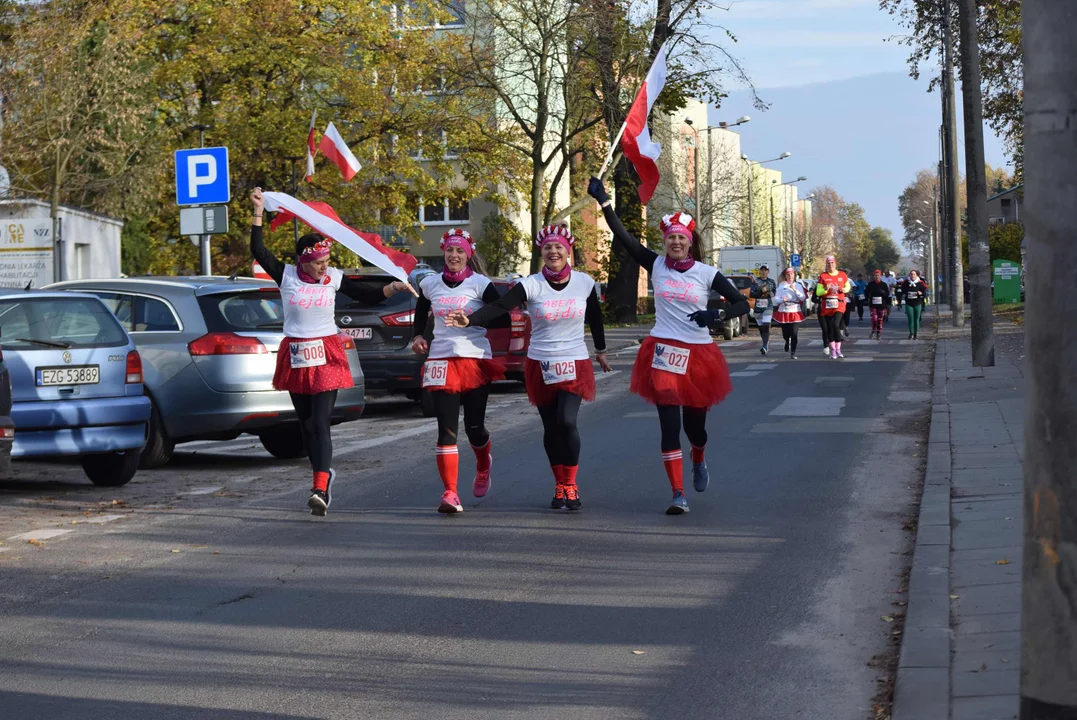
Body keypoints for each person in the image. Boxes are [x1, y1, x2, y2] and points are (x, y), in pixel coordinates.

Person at [588, 178, 749, 514]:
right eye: (671, 237)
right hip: (663, 351)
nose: (675, 242)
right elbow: (625, 239)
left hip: (699, 355)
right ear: (665, 242)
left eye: (681, 238)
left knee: (695, 428)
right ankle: (678, 493)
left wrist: (715, 313)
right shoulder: (656, 264)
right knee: (668, 426)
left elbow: (742, 305)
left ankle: (699, 456)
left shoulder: (706, 273)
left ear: (689, 244)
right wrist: (604, 202)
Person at [249, 188, 411, 516]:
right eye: (318, 263)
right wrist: (256, 212)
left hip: (326, 351)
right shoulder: (286, 276)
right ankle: (323, 474)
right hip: (296, 352)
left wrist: (393, 286)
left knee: (320, 423)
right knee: (306, 424)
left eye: (326, 261)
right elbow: (257, 249)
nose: (324, 267)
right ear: (303, 262)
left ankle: (320, 487)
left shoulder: (334, 278)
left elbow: (367, 295)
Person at [445, 224, 611, 512]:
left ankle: (571, 484)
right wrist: (470, 319)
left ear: (567, 251)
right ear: (542, 253)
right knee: (550, 426)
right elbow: (499, 306)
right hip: (541, 363)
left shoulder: (584, 282)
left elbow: (595, 316)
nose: (553, 251)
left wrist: (600, 350)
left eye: (559, 246)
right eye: (548, 247)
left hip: (573, 361)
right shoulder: (532, 284)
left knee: (567, 422)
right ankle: (559, 484)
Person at [411, 229, 509, 514]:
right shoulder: (430, 284)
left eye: (460, 252)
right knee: (446, 430)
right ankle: (450, 493)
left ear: (469, 255)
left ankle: (482, 464)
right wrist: (418, 336)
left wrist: (472, 320)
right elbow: (421, 312)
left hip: (474, 360)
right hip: (441, 361)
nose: (454, 256)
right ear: (444, 252)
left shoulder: (480, 284)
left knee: (474, 428)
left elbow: (502, 317)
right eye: (450, 251)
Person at [816, 255, 851, 359]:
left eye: (832, 263)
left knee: (836, 324)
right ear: (826, 265)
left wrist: (845, 290)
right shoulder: (823, 276)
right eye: (828, 263)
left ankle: (838, 349)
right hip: (827, 305)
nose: (830, 265)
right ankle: (833, 350)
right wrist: (825, 289)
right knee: (829, 329)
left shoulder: (842, 274)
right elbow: (818, 292)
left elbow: (847, 285)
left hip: (839, 304)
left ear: (835, 264)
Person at [772, 268, 807, 359]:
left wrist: (795, 290)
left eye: (792, 274)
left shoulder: (798, 285)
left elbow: (802, 298)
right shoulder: (781, 285)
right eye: (788, 274)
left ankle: (793, 352)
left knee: (794, 333)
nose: (790, 276)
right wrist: (782, 300)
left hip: (795, 310)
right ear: (785, 276)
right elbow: (776, 298)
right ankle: (787, 341)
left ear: (794, 275)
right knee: (786, 332)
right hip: (784, 310)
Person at [750, 265, 777, 355]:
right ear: (760, 271)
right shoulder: (756, 281)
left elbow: (773, 293)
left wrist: (769, 293)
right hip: (758, 308)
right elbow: (752, 294)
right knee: (761, 328)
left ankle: (765, 346)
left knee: (766, 325)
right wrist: (760, 291)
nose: (763, 272)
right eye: (762, 270)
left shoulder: (771, 282)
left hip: (768, 307)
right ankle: (765, 342)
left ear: (768, 271)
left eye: (765, 270)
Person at [864, 269, 891, 340]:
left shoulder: (884, 284)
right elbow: (866, 292)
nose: (877, 277)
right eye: (875, 275)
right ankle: (873, 330)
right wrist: (867, 298)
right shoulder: (870, 284)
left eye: (878, 275)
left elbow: (887, 294)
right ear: (873, 276)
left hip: (882, 305)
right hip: (873, 305)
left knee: (880, 320)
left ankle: (878, 333)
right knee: (874, 319)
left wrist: (883, 293)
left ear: (880, 276)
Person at [902, 269, 930, 339]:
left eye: (914, 274)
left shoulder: (920, 283)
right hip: (909, 303)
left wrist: (920, 293)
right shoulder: (906, 282)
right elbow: (903, 290)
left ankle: (915, 334)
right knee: (910, 319)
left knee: (916, 319)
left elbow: (924, 292)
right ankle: (911, 333)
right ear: (909, 275)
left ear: (916, 275)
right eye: (911, 274)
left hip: (917, 303)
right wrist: (904, 294)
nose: (913, 275)